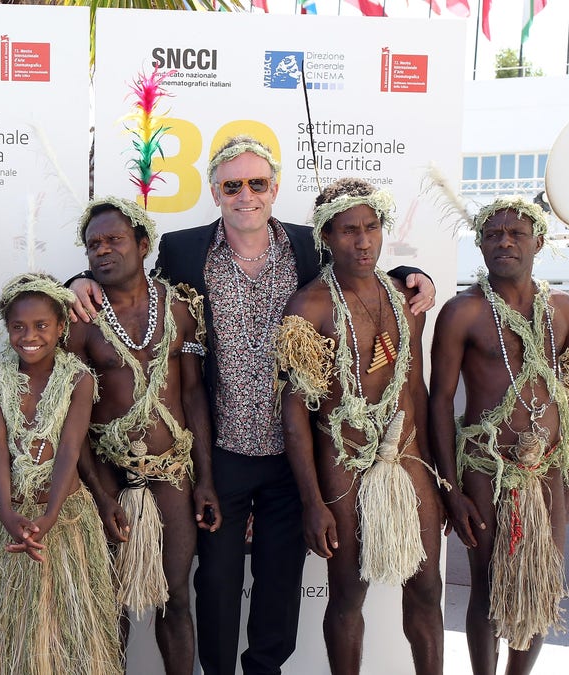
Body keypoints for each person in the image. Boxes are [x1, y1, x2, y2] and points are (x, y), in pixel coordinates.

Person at [70, 135, 435, 674]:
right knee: (216, 581)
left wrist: (412, 274)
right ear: (215, 192)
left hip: (298, 452)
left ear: (275, 188)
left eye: (257, 183)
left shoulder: (310, 246)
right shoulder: (182, 250)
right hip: (221, 450)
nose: (246, 195)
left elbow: (362, 265)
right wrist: (78, 279)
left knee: (280, 583)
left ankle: (264, 669)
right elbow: (124, 279)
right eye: (232, 185)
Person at [428, 197, 569, 675]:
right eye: (494, 235)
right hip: (483, 468)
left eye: (516, 234)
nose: (505, 242)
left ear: (539, 242)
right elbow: (439, 401)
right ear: (480, 244)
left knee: (540, 584)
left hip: (547, 472)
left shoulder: (566, 313)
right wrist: (450, 490)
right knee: (488, 585)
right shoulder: (463, 313)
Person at [276, 178, 445, 675]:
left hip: (407, 452)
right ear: (326, 236)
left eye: (371, 228)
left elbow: (415, 389)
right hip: (342, 458)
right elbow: (296, 413)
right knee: (348, 591)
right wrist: (312, 502)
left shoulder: (404, 297)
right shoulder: (309, 307)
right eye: (349, 230)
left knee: (428, 585)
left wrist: (439, 479)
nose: (363, 240)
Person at [68, 197, 219, 675]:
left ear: (143, 244)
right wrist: (98, 490)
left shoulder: (180, 309)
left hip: (172, 474)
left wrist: (206, 481)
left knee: (175, 598)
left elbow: (195, 397)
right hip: (108, 477)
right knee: (109, 603)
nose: (103, 251)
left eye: (114, 240)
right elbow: (69, 419)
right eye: (93, 245)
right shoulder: (80, 321)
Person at [0, 273, 121, 675]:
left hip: (64, 517)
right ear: (7, 329)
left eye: (42, 326)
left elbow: (69, 448)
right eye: (18, 327)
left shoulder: (79, 379)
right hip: (7, 516)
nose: (30, 336)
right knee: (8, 633)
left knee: (64, 632)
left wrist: (49, 517)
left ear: (62, 326)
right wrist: (7, 513)